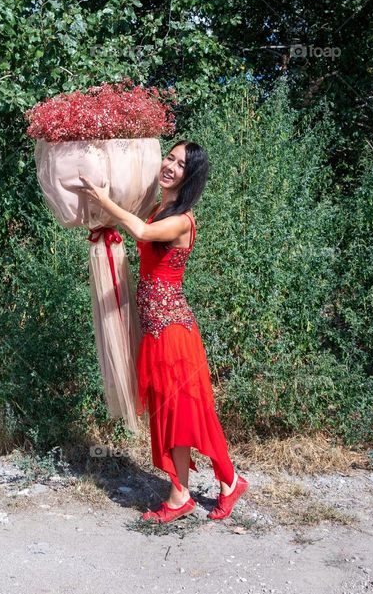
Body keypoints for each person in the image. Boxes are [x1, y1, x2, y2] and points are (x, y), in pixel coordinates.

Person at [79, 139, 248, 523]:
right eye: (168, 157)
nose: (170, 165)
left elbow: (138, 228)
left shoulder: (181, 220)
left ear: (190, 176)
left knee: (189, 411)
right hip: (156, 328)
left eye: (179, 164)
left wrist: (104, 200)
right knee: (168, 413)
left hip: (174, 331)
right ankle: (180, 494)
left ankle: (230, 479)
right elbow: (134, 221)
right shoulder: (161, 208)